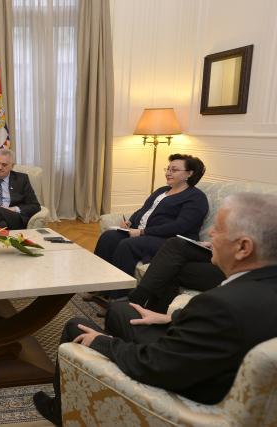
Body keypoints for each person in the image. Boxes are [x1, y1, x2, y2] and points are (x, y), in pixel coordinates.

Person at [33, 192, 277, 425]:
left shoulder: (219, 304)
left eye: (219, 229)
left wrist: (103, 343)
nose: (211, 232)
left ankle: (61, 411)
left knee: (76, 327)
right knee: (122, 311)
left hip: (185, 383)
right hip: (205, 358)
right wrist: (171, 318)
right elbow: (230, 328)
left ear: (243, 248)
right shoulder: (255, 291)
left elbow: (157, 366)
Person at [90, 153, 208, 301]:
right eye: (168, 169)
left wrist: (142, 232)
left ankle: (118, 298)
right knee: (108, 237)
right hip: (146, 233)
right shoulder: (162, 190)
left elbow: (180, 226)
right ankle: (99, 287)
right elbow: (144, 209)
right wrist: (130, 222)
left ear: (189, 174)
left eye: (174, 170)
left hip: (170, 241)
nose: (168, 173)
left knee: (128, 245)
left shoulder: (196, 197)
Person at [127, 236, 225, 312]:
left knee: (170, 263)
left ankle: (139, 300)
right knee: (171, 259)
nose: (210, 232)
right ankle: (148, 313)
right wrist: (212, 244)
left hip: (227, 270)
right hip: (217, 254)